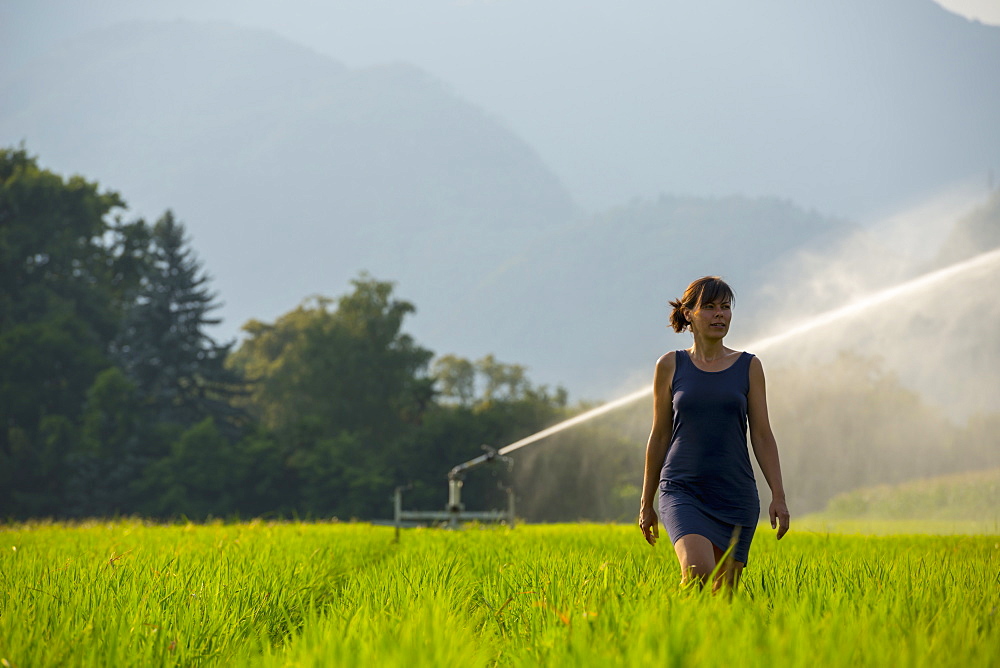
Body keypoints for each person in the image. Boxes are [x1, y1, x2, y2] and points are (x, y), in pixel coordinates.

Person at [638, 276, 789, 590]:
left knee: (722, 597)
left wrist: (779, 496)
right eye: (709, 307)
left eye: (725, 307)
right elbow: (660, 435)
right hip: (682, 489)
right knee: (698, 571)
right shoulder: (669, 365)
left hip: (735, 495)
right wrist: (646, 502)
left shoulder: (749, 366)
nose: (719, 314)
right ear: (689, 314)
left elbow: (762, 435)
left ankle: (686, 638)